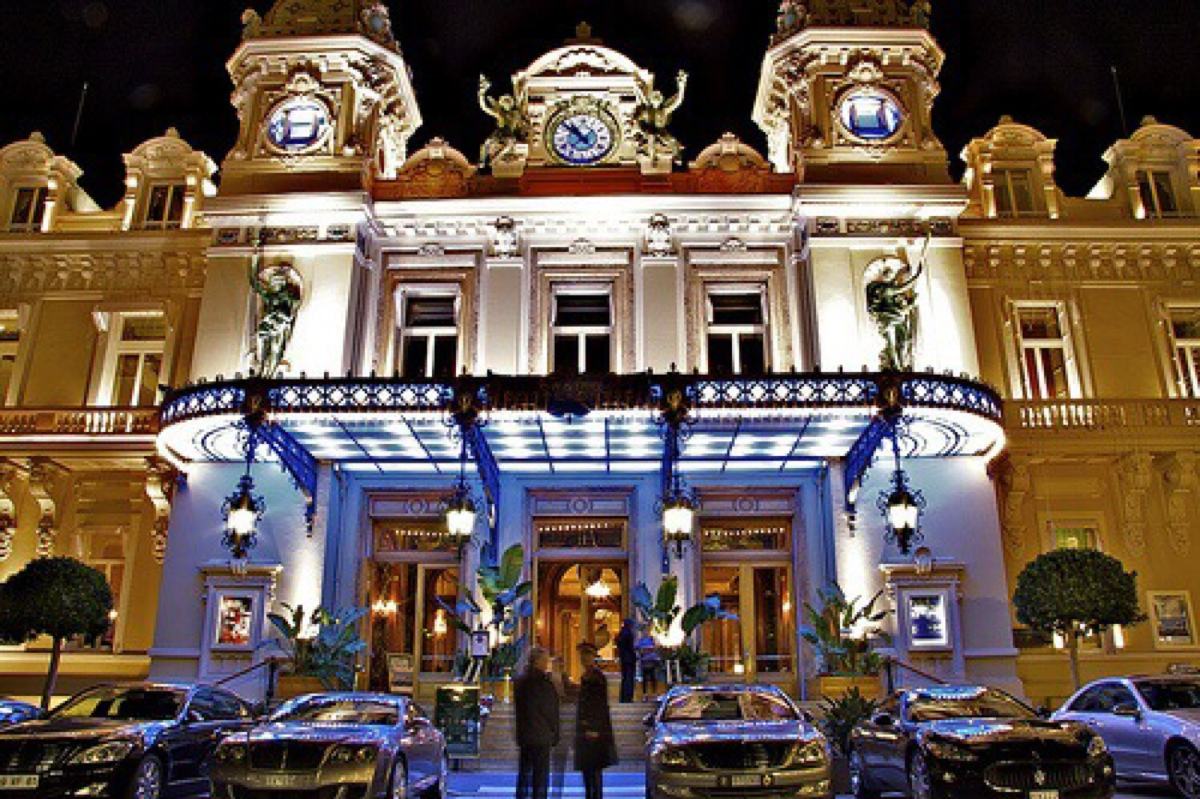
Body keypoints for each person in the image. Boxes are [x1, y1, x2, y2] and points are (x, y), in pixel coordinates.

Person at [515, 647, 560, 799]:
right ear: (538, 661)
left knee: (525, 775)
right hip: (541, 735)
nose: (547, 663)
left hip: (525, 735)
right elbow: (550, 710)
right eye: (545, 660)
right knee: (540, 777)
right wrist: (555, 732)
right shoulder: (543, 683)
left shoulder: (521, 681)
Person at [575, 642, 617, 799]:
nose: (584, 659)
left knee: (594, 771)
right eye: (582, 656)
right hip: (585, 730)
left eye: (587, 656)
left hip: (594, 731)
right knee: (588, 771)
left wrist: (594, 728)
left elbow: (599, 705)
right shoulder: (586, 677)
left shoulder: (597, 678)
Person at [615, 618, 637, 703]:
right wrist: (634, 655)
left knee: (624, 678)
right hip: (629, 659)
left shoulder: (621, 634)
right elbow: (631, 648)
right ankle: (628, 697)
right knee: (629, 678)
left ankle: (623, 697)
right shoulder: (629, 634)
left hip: (623, 658)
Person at [635, 629, 661, 701]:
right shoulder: (641, 640)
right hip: (645, 662)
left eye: (647, 631)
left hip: (652, 661)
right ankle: (645, 694)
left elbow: (657, 647)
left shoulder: (652, 639)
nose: (646, 632)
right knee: (645, 679)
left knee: (653, 678)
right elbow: (636, 648)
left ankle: (654, 693)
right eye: (645, 631)